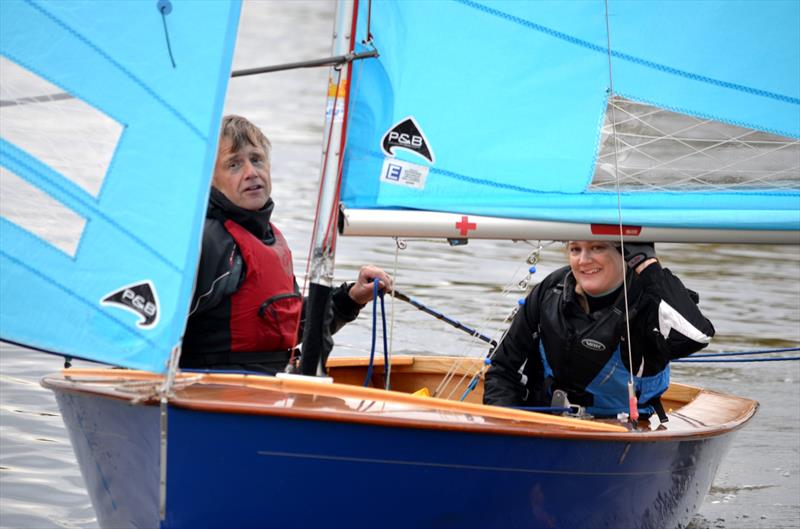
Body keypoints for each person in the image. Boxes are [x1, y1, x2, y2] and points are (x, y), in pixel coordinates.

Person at [181, 115, 391, 373]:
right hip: (218, 393)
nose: (251, 173)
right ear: (210, 180)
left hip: (271, 387)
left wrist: (350, 298)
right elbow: (157, 326)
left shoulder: (268, 238)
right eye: (234, 165)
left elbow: (287, 327)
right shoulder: (209, 242)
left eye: (256, 159)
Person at [483, 240, 715, 419]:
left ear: (625, 253)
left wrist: (647, 265)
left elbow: (697, 336)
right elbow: (503, 369)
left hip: (619, 434)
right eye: (575, 249)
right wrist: (507, 426)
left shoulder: (650, 300)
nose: (583, 260)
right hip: (544, 428)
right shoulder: (551, 290)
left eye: (596, 247)